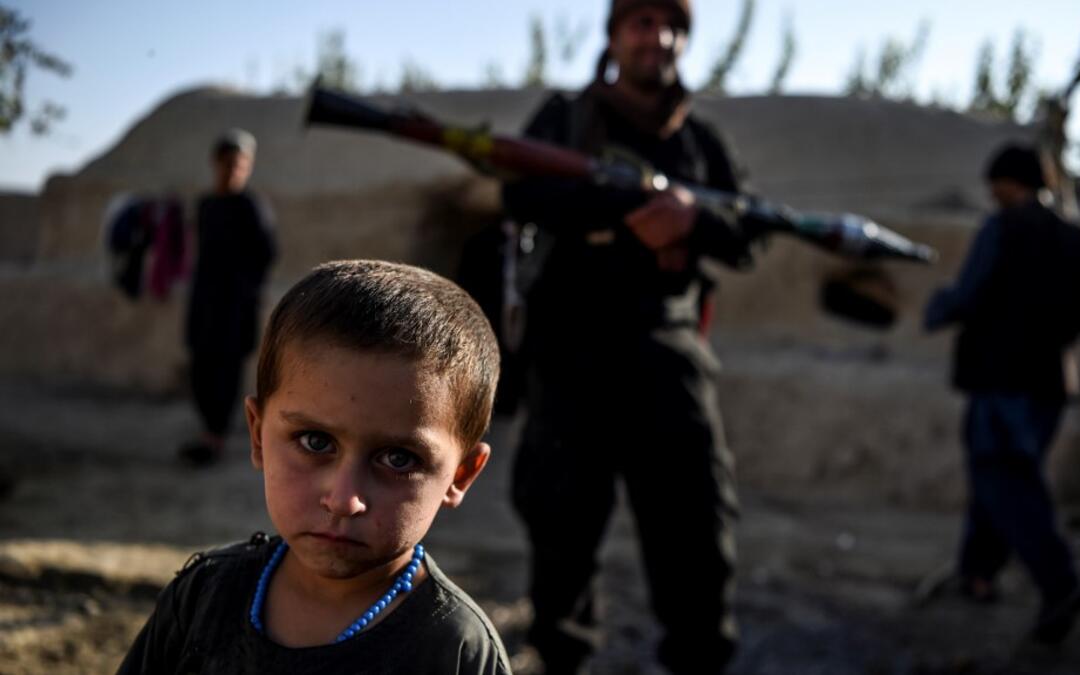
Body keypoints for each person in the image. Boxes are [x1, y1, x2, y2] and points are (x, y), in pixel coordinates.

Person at [501, 1, 757, 672]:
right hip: (570, 351)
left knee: (696, 527)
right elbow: (521, 192)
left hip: (665, 350)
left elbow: (746, 231)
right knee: (560, 523)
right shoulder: (565, 119)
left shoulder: (698, 140)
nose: (658, 38)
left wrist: (692, 221)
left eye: (671, 26)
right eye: (641, 22)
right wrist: (631, 211)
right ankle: (560, 651)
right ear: (614, 37)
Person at [118, 260, 511, 673]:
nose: (344, 500)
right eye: (315, 442)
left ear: (461, 474)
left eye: (399, 459)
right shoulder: (202, 599)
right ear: (258, 436)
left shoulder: (457, 653)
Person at [924, 143, 1080, 644]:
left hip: (1000, 379)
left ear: (1011, 182)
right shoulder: (1078, 237)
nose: (992, 194)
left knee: (1007, 484)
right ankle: (977, 574)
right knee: (999, 480)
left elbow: (967, 294)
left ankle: (1061, 584)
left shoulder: (1001, 229)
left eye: (996, 183)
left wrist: (936, 308)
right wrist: (1056, 329)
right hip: (1049, 383)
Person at [180, 129, 277, 466]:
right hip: (203, 304)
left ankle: (214, 439)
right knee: (201, 371)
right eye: (228, 163)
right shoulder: (206, 205)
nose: (233, 170)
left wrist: (241, 293)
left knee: (225, 373)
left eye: (240, 164)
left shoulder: (252, 207)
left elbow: (265, 256)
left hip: (234, 309)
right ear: (215, 163)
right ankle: (208, 431)